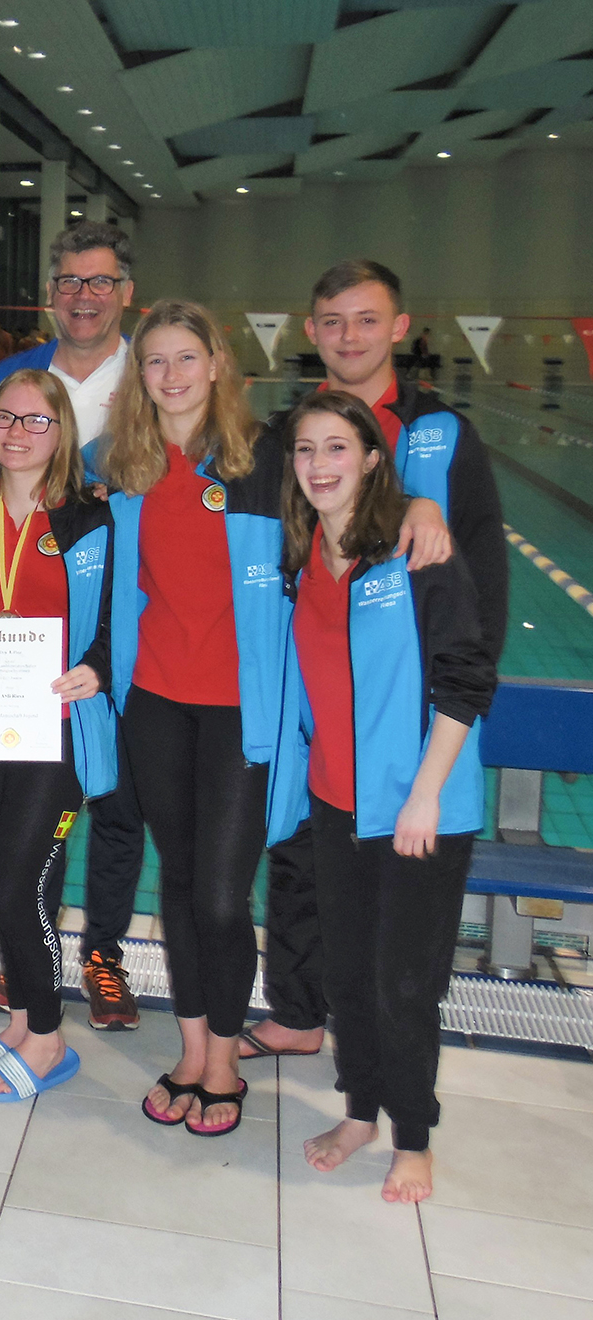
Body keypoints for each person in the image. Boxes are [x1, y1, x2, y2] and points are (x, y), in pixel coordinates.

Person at [242, 260, 506, 1064]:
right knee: (296, 864)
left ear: (398, 327)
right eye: (331, 321)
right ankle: (297, 1011)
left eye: (366, 320)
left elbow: (481, 582)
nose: (348, 336)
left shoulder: (441, 433)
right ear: (310, 331)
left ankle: (387, 1060)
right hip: (313, 708)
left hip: (404, 723)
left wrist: (454, 704)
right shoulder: (286, 433)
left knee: (393, 908)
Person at [277, 391, 494, 1202]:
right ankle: (360, 1109)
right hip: (338, 802)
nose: (320, 466)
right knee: (347, 976)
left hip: (419, 809)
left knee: (405, 981)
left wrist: (426, 795)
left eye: (337, 448)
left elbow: (467, 674)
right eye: (306, 450)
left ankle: (414, 1136)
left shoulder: (415, 550)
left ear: (372, 459)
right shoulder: (308, 558)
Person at [102, 299, 289, 1138]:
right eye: (155, 362)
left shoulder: (265, 462)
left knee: (219, 893)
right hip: (157, 704)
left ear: (218, 364)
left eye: (186, 359)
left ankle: (223, 1055)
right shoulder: (126, 468)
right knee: (177, 882)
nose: (171, 376)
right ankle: (189, 1048)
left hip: (240, 713)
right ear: (138, 377)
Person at [0, 221, 143, 1032]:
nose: (83, 296)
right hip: (30, 633)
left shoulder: (153, 373)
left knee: (117, 802)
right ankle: (28, 950)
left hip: (129, 610)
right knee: (39, 805)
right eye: (70, 281)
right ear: (51, 292)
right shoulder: (15, 374)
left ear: (124, 293)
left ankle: (102, 953)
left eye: (99, 282)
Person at [0, 369, 114, 1100]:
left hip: (57, 726)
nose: (18, 433)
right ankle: (26, 1026)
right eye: (5, 418)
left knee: (18, 880)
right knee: (20, 879)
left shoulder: (90, 519)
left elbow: (120, 618)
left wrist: (96, 666)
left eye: (38, 421)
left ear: (62, 433)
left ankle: (48, 1036)